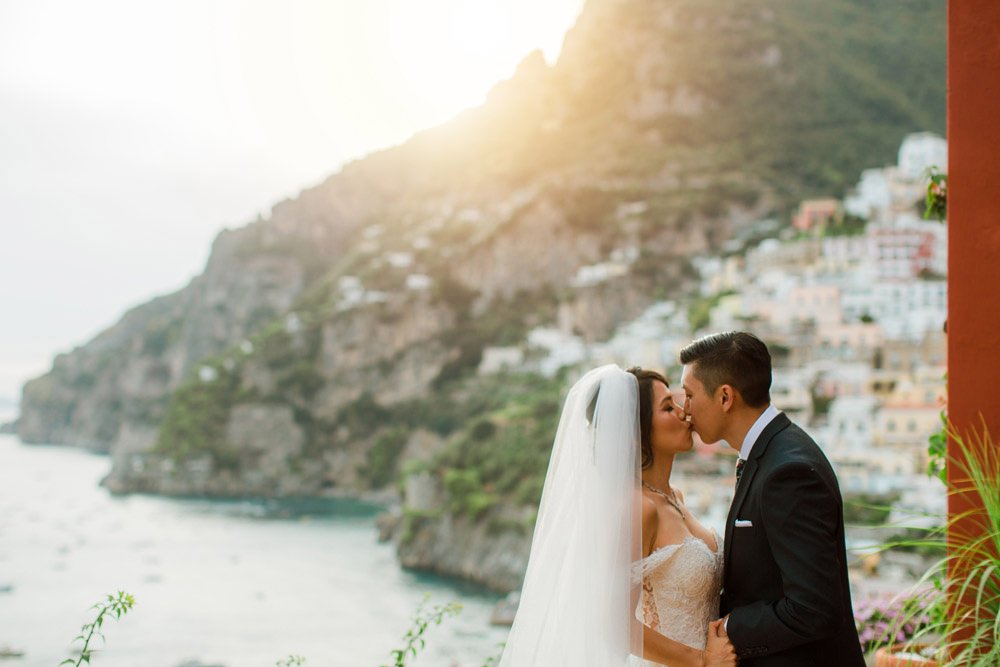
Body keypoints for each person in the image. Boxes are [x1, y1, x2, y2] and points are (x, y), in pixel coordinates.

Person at [496, 364, 735, 667]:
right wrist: (702, 660)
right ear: (635, 433)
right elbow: (613, 626)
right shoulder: (637, 507)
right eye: (667, 407)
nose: (683, 412)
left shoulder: (676, 498)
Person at [679, 332, 865, 666]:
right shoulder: (773, 452)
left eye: (689, 395)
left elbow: (813, 609)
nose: (685, 409)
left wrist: (734, 626)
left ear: (725, 397)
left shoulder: (788, 472)